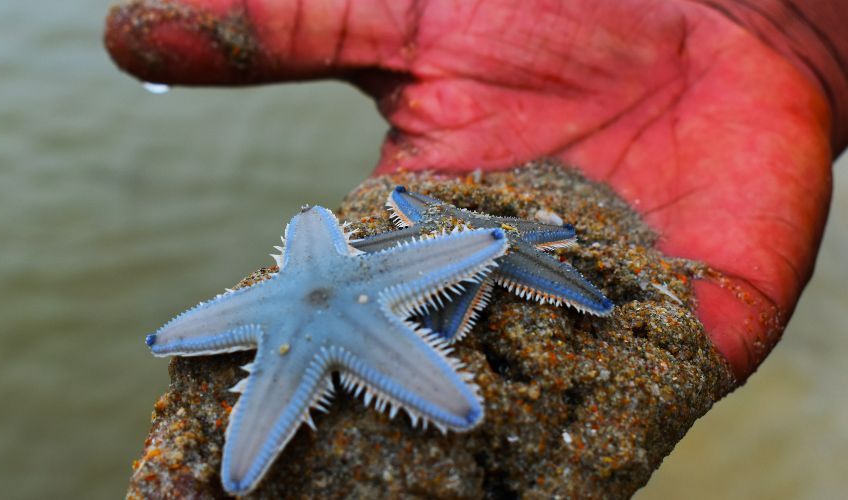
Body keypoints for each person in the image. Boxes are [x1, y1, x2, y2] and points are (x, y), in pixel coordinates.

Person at [104, 0, 844, 391]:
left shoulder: (422, 244)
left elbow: (476, 243)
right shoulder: (330, 246)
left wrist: (805, 36)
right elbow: (336, 235)